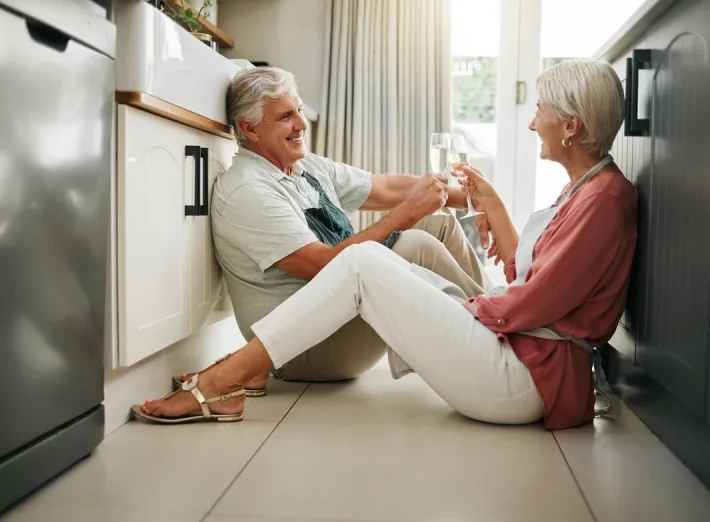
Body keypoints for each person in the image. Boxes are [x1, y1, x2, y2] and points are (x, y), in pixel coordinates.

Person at [133, 59, 638, 431]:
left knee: (375, 258)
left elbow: (533, 297)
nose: (530, 123)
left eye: (540, 111)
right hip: (521, 362)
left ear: (571, 126)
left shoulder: (600, 198)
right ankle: (234, 375)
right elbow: (531, 286)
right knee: (367, 259)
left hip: (531, 376)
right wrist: (474, 265)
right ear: (249, 127)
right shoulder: (588, 191)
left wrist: (468, 299)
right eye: (286, 115)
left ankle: (224, 379)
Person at [172, 67, 490, 394]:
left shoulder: (305, 167)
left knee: (440, 224)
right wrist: (404, 215)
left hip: (337, 320)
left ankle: (501, 318)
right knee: (418, 245)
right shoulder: (248, 190)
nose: (301, 123)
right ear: (249, 128)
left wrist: (477, 199)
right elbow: (322, 266)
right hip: (302, 347)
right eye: (285, 116)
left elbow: (385, 188)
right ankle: (498, 339)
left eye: (298, 109)